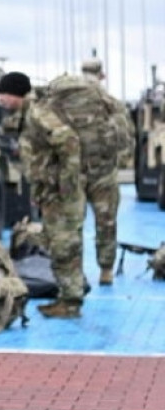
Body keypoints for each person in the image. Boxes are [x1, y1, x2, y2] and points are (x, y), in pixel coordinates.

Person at [19, 88, 85, 317]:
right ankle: (67, 298)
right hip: (52, 192)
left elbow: (68, 140)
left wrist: (65, 185)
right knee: (60, 245)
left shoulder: (38, 114)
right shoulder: (30, 114)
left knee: (64, 245)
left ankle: (70, 302)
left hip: (61, 194)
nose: (0, 99)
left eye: (4, 94)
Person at [75, 59, 134, 286]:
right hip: (104, 173)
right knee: (106, 222)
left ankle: (74, 273)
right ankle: (106, 270)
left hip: (75, 172)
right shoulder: (111, 102)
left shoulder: (68, 102)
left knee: (73, 224)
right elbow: (126, 136)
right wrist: (117, 163)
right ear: (102, 75)